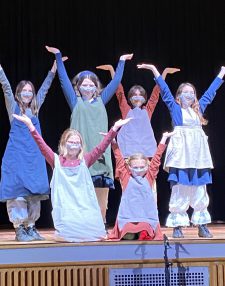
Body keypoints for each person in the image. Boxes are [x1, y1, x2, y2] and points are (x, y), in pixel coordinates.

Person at [45, 46, 133, 226]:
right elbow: (63, 80)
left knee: (101, 199)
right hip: (80, 156)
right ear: (78, 86)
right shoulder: (74, 101)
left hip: (100, 156)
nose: (88, 86)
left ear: (96, 87)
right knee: (80, 196)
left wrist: (122, 61)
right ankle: (80, 225)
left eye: (91, 84)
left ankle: (100, 224)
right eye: (84, 84)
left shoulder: (102, 99)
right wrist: (58, 56)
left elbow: (115, 82)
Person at [137, 63, 225, 238]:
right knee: (180, 187)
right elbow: (164, 91)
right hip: (181, 155)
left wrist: (222, 74)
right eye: (185, 91)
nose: (189, 94)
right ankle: (178, 225)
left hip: (198, 156)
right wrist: (154, 70)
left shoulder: (199, 109)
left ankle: (201, 224)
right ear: (179, 96)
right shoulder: (175, 109)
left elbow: (210, 93)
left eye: (192, 92)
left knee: (200, 188)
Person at [13, 113, 131, 242]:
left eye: (77, 142)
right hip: (66, 207)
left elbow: (101, 148)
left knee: (93, 235)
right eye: (71, 142)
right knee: (67, 235)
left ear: (81, 145)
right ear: (64, 143)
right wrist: (30, 126)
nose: (74, 145)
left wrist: (114, 128)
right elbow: (42, 146)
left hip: (84, 205)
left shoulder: (85, 160)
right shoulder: (56, 160)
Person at [0, 59, 65, 241]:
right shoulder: (13, 107)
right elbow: (5, 86)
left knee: (34, 193)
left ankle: (31, 227)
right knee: (18, 193)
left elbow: (44, 88)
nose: (27, 93)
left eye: (30, 91)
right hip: (16, 156)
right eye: (24, 91)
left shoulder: (35, 110)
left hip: (34, 157)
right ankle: (20, 227)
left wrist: (53, 69)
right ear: (18, 93)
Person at [108, 131, 174, 241]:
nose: (139, 170)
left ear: (147, 166)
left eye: (141, 167)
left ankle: (142, 233)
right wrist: (113, 141)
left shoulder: (149, 176)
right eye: (136, 167)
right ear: (129, 167)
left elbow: (157, 158)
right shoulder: (126, 178)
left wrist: (164, 139)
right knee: (128, 234)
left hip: (146, 216)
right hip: (128, 217)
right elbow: (118, 158)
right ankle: (133, 234)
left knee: (145, 230)